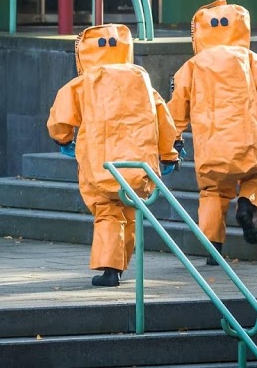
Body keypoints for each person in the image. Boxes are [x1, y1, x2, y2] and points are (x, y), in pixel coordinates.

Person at [46, 23, 181, 287]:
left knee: (107, 211)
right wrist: (169, 154)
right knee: (131, 212)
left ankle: (110, 268)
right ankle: (119, 266)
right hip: (138, 165)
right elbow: (163, 117)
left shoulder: (84, 82)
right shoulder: (141, 79)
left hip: (99, 163)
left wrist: (63, 140)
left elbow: (61, 117)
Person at [168, 0, 257, 265]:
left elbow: (176, 108)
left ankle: (214, 249)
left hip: (211, 147)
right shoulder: (249, 59)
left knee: (212, 192)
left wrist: (172, 142)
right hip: (250, 142)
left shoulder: (191, 67)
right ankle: (247, 206)